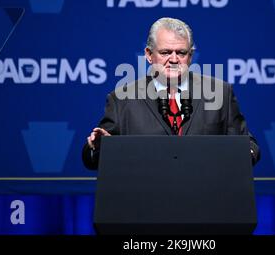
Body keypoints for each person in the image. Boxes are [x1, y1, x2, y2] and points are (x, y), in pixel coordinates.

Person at [82, 17, 260, 169]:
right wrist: (97, 148)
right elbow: (93, 159)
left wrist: (246, 154)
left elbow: (249, 146)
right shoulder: (121, 99)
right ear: (149, 54)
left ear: (190, 56)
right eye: (166, 52)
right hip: (144, 202)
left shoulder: (220, 93)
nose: (174, 59)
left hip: (206, 200)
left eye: (181, 53)